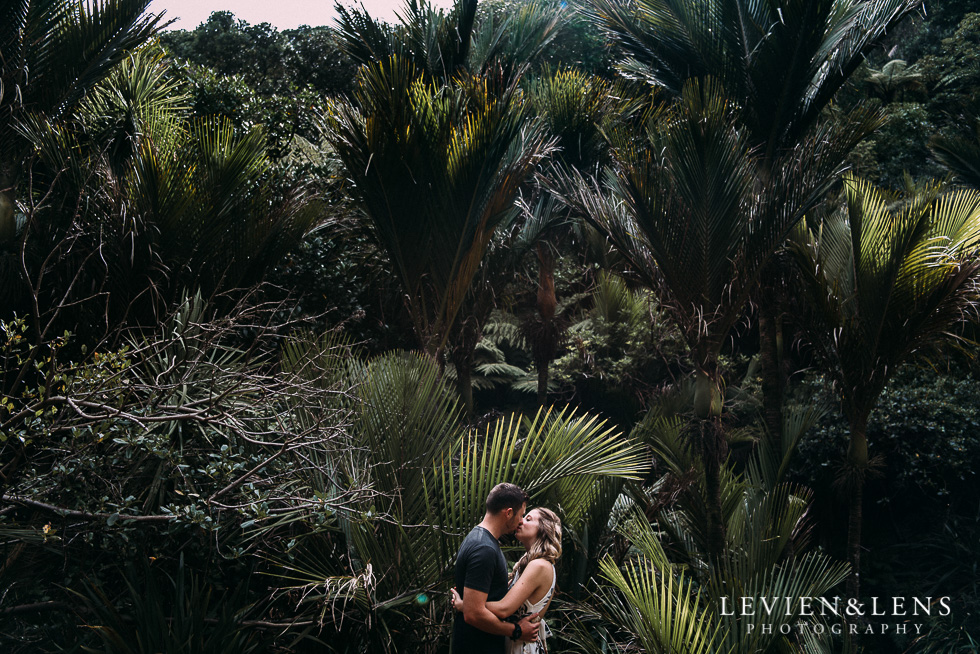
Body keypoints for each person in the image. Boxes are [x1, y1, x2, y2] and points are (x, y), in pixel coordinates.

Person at [452, 507, 562, 654]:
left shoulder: (540, 565)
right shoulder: (529, 562)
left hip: (522, 647)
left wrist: (465, 605)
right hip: (515, 642)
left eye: (528, 519)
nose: (521, 521)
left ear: (544, 529)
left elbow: (503, 609)